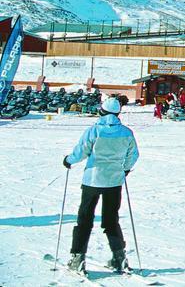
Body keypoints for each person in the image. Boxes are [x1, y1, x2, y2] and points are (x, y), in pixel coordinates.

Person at [62, 96, 140, 276]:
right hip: (114, 181)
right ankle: (119, 258)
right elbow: (133, 154)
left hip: (92, 180)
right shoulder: (127, 132)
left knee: (85, 219)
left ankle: (77, 258)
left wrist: (69, 160)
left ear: (102, 111)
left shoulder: (94, 130)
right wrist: (125, 169)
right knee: (111, 220)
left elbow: (81, 150)